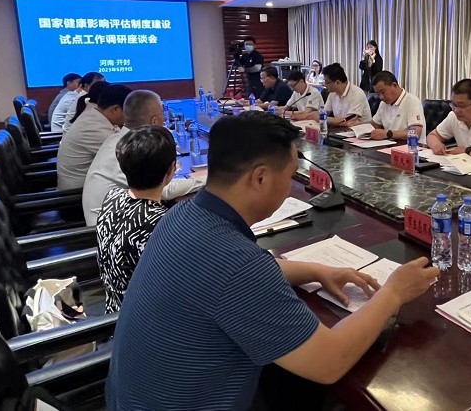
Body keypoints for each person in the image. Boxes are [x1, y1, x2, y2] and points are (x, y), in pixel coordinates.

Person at [106, 112, 439, 410]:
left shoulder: (183, 214)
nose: (291, 187)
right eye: (290, 175)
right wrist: (393, 293)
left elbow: (234, 276)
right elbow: (329, 362)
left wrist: (317, 270)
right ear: (261, 178)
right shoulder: (235, 263)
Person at [83, 90, 203, 226]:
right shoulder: (129, 149)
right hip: (110, 226)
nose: (164, 121)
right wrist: (210, 179)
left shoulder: (121, 140)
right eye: (163, 117)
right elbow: (162, 189)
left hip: (122, 213)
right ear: (154, 121)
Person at [96, 126, 176, 314]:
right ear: (171, 169)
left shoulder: (112, 196)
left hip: (114, 307)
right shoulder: (162, 225)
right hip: (142, 321)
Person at [57, 84, 131, 190]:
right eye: (128, 112)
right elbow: (129, 158)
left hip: (89, 186)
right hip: (76, 194)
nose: (129, 116)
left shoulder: (93, 115)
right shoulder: (94, 128)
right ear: (115, 109)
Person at [369, 71, 426, 142]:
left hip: (412, 146)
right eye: (378, 94)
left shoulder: (412, 101)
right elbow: (373, 125)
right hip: (390, 145)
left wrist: (388, 134)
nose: (381, 97)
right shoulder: (383, 104)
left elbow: (416, 133)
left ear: (394, 85)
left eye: (383, 92)